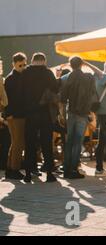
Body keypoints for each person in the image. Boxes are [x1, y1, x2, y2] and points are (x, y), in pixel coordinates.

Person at [22, 53, 59, 183]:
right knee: (46, 143)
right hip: (45, 113)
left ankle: (28, 173)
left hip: (29, 113)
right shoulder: (48, 73)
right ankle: (49, 173)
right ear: (44, 61)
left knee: (29, 144)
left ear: (32, 61)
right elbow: (55, 88)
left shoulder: (25, 73)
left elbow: (21, 91)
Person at [60, 56, 97, 179]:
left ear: (70, 65)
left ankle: (66, 169)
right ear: (82, 65)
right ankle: (73, 169)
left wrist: (61, 115)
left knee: (69, 141)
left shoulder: (67, 78)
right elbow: (93, 95)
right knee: (77, 142)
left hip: (70, 112)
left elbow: (63, 99)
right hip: (83, 113)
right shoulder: (89, 77)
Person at [4, 53, 27, 179]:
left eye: (24, 64)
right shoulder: (11, 78)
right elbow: (7, 98)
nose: (23, 67)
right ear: (14, 64)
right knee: (18, 143)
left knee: (16, 142)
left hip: (18, 114)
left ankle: (10, 168)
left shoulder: (18, 76)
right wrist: (9, 114)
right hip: (15, 115)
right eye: (20, 65)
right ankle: (14, 169)